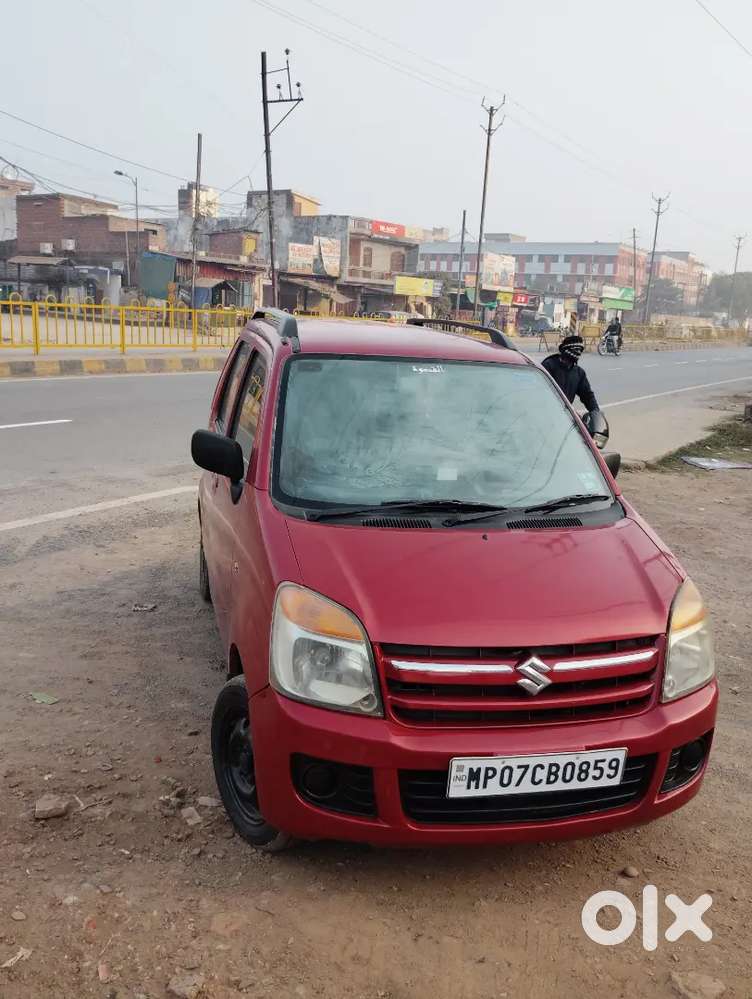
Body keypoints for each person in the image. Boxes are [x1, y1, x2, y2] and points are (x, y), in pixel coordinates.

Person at [542, 335, 600, 413]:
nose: (578, 353)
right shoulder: (548, 366)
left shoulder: (579, 373)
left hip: (565, 415)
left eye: (580, 350)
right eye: (576, 349)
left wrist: (596, 412)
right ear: (565, 350)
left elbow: (587, 396)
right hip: (546, 412)